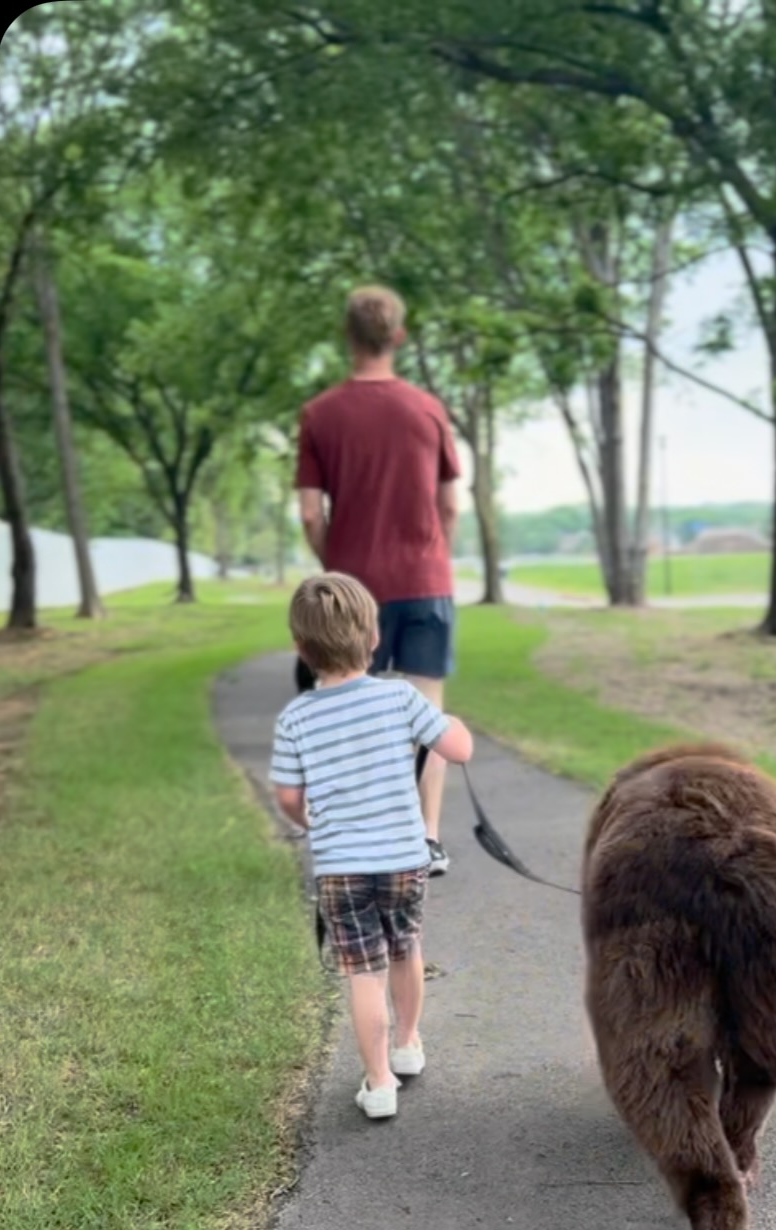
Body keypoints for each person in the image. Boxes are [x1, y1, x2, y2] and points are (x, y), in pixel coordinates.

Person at [271, 572, 473, 1121]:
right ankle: (408, 1044)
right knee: (406, 948)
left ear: (300, 648)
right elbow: (455, 748)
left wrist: (304, 817)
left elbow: (288, 794)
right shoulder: (401, 697)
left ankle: (379, 1082)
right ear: (374, 637)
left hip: (342, 869)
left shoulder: (296, 718)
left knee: (364, 972)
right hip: (404, 861)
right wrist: (454, 725)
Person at [295, 283, 461, 874]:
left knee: (338, 711)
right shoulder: (428, 409)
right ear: (398, 336)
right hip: (423, 580)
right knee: (427, 715)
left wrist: (332, 566)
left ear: (348, 336)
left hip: (350, 587)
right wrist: (436, 559)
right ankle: (427, 841)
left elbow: (311, 513)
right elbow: (449, 506)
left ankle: (344, 841)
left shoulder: (319, 414)